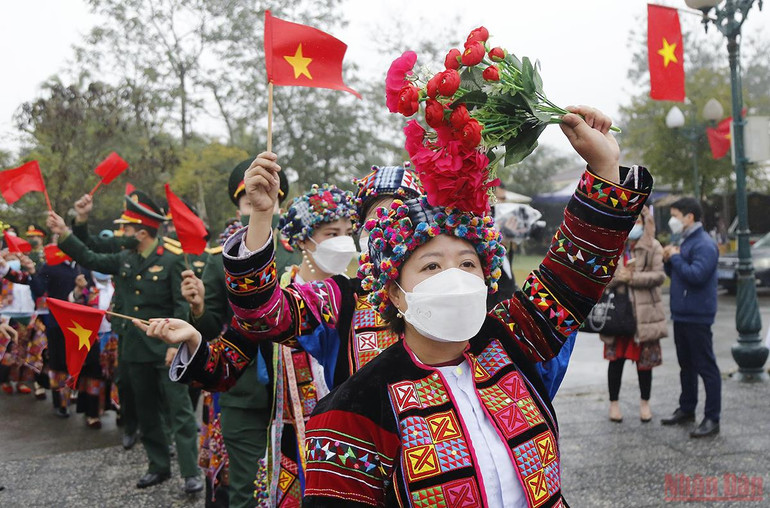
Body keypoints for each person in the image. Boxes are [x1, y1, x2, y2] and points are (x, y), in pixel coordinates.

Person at [141, 106, 653, 506]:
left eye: (466, 264)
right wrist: (259, 222)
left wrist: (605, 166)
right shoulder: (350, 409)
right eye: (430, 266)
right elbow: (261, 315)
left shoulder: (508, 341)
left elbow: (573, 274)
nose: (453, 278)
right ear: (391, 286)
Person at [47, 189, 203, 493]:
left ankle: (190, 472)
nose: (122, 233)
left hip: (168, 350)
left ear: (142, 233)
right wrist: (68, 229)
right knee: (146, 412)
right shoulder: (125, 259)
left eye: (127, 229)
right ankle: (158, 466)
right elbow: (89, 254)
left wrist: (175, 346)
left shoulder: (171, 261)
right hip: (135, 348)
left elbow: (181, 306)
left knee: (180, 412)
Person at [180, 159, 298, 508]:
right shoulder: (220, 259)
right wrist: (199, 308)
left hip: (296, 392)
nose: (260, 208)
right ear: (239, 205)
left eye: (269, 199)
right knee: (247, 489)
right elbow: (208, 327)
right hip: (242, 389)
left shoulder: (297, 252)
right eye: (250, 202)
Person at [661, 197, 721, 438]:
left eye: (676, 215)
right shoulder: (685, 240)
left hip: (698, 315)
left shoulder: (704, 244)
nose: (673, 220)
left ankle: (712, 418)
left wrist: (675, 257)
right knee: (686, 365)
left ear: (689, 217)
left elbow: (696, 275)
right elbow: (677, 274)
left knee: (706, 366)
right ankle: (687, 409)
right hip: (682, 313)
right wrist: (669, 260)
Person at [601, 206, 667, 423]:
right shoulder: (613, 246)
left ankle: (645, 403)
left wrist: (634, 278)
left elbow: (659, 276)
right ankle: (614, 404)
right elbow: (602, 280)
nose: (634, 225)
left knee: (644, 362)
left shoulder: (653, 246)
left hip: (644, 314)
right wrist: (621, 276)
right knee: (616, 361)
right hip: (618, 315)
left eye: (638, 220)